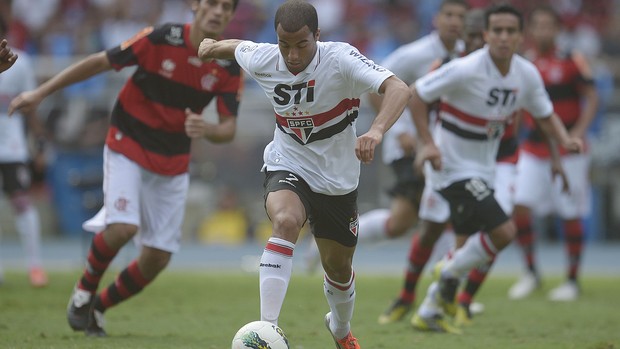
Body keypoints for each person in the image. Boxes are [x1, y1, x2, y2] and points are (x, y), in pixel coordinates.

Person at [9, 0, 242, 337]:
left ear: (232, 15)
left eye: (226, 7)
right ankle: (83, 291)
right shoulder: (162, 38)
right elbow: (100, 62)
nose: (218, 11)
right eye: (212, 3)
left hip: (173, 160)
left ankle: (97, 308)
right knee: (122, 228)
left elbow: (228, 128)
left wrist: (207, 129)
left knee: (158, 257)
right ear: (195, 5)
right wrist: (41, 92)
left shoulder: (229, 64)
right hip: (127, 143)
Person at [197, 1, 411, 348]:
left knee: (338, 268)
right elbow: (239, 47)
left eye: (301, 44)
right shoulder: (267, 58)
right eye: (284, 44)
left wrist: (376, 131)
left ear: (318, 36)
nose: (292, 55)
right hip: (288, 162)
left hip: (337, 177)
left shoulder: (341, 59)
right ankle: (266, 331)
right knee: (285, 221)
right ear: (276, 39)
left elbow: (398, 88)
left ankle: (341, 330)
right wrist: (211, 47)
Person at [409, 4, 583, 333]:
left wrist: (565, 139)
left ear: (520, 36)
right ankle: (447, 272)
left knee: (468, 244)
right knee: (503, 231)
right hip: (451, 168)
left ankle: (429, 310)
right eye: (497, 31)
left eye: (510, 31)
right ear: (486, 35)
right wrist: (427, 143)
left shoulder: (526, 73)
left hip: (485, 168)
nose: (503, 37)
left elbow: (544, 113)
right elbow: (416, 94)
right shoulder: (466, 68)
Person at [508, 5, 598, 302]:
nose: (543, 31)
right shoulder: (525, 63)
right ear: (530, 31)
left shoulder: (572, 60)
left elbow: (592, 97)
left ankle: (572, 279)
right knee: (520, 204)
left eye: (549, 25)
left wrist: (578, 134)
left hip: (569, 149)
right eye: (538, 25)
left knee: (569, 210)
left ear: (558, 29)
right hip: (533, 147)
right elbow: (519, 107)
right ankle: (531, 272)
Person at [0, 18, 48, 287]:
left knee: (20, 201)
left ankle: (35, 266)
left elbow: (30, 106)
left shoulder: (22, 63)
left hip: (12, 146)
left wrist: (39, 144)